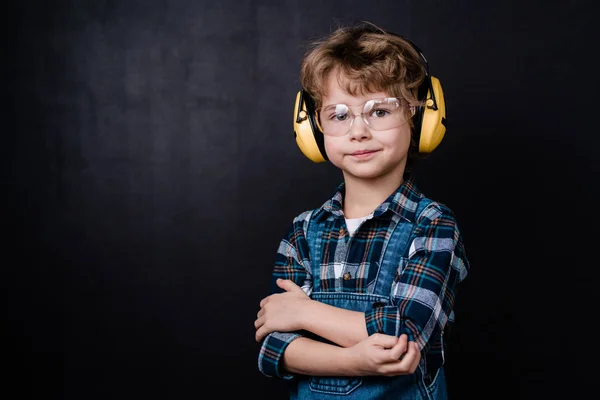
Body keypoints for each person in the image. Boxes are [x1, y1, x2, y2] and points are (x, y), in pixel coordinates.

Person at [254, 21, 470, 400]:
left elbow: (405, 332)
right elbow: (276, 348)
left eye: (380, 112)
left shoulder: (433, 225)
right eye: (339, 115)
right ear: (313, 129)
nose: (358, 131)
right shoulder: (304, 231)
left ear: (422, 120)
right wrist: (358, 360)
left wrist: (304, 313)